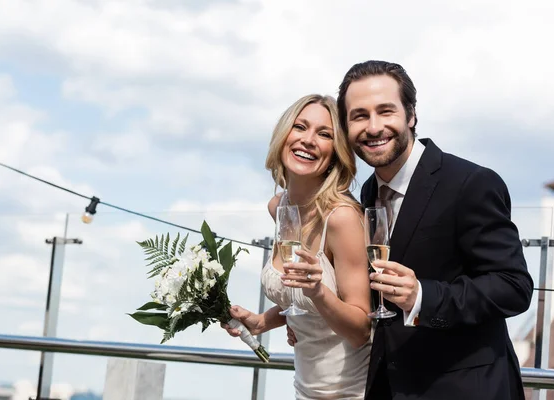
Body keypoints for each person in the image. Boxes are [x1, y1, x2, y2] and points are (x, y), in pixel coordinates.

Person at [335, 60, 534, 400]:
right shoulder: (367, 194)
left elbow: (513, 287)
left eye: (386, 111)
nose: (374, 127)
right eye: (359, 115)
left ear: (411, 115)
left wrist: (423, 297)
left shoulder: (470, 183)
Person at [222, 94, 373, 399]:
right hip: (304, 389)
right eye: (300, 127)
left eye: (324, 134)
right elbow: (302, 297)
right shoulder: (279, 207)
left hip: (352, 392)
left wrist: (318, 292)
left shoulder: (342, 218)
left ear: (336, 153)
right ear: (283, 135)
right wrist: (264, 321)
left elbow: (361, 330)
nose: (308, 140)